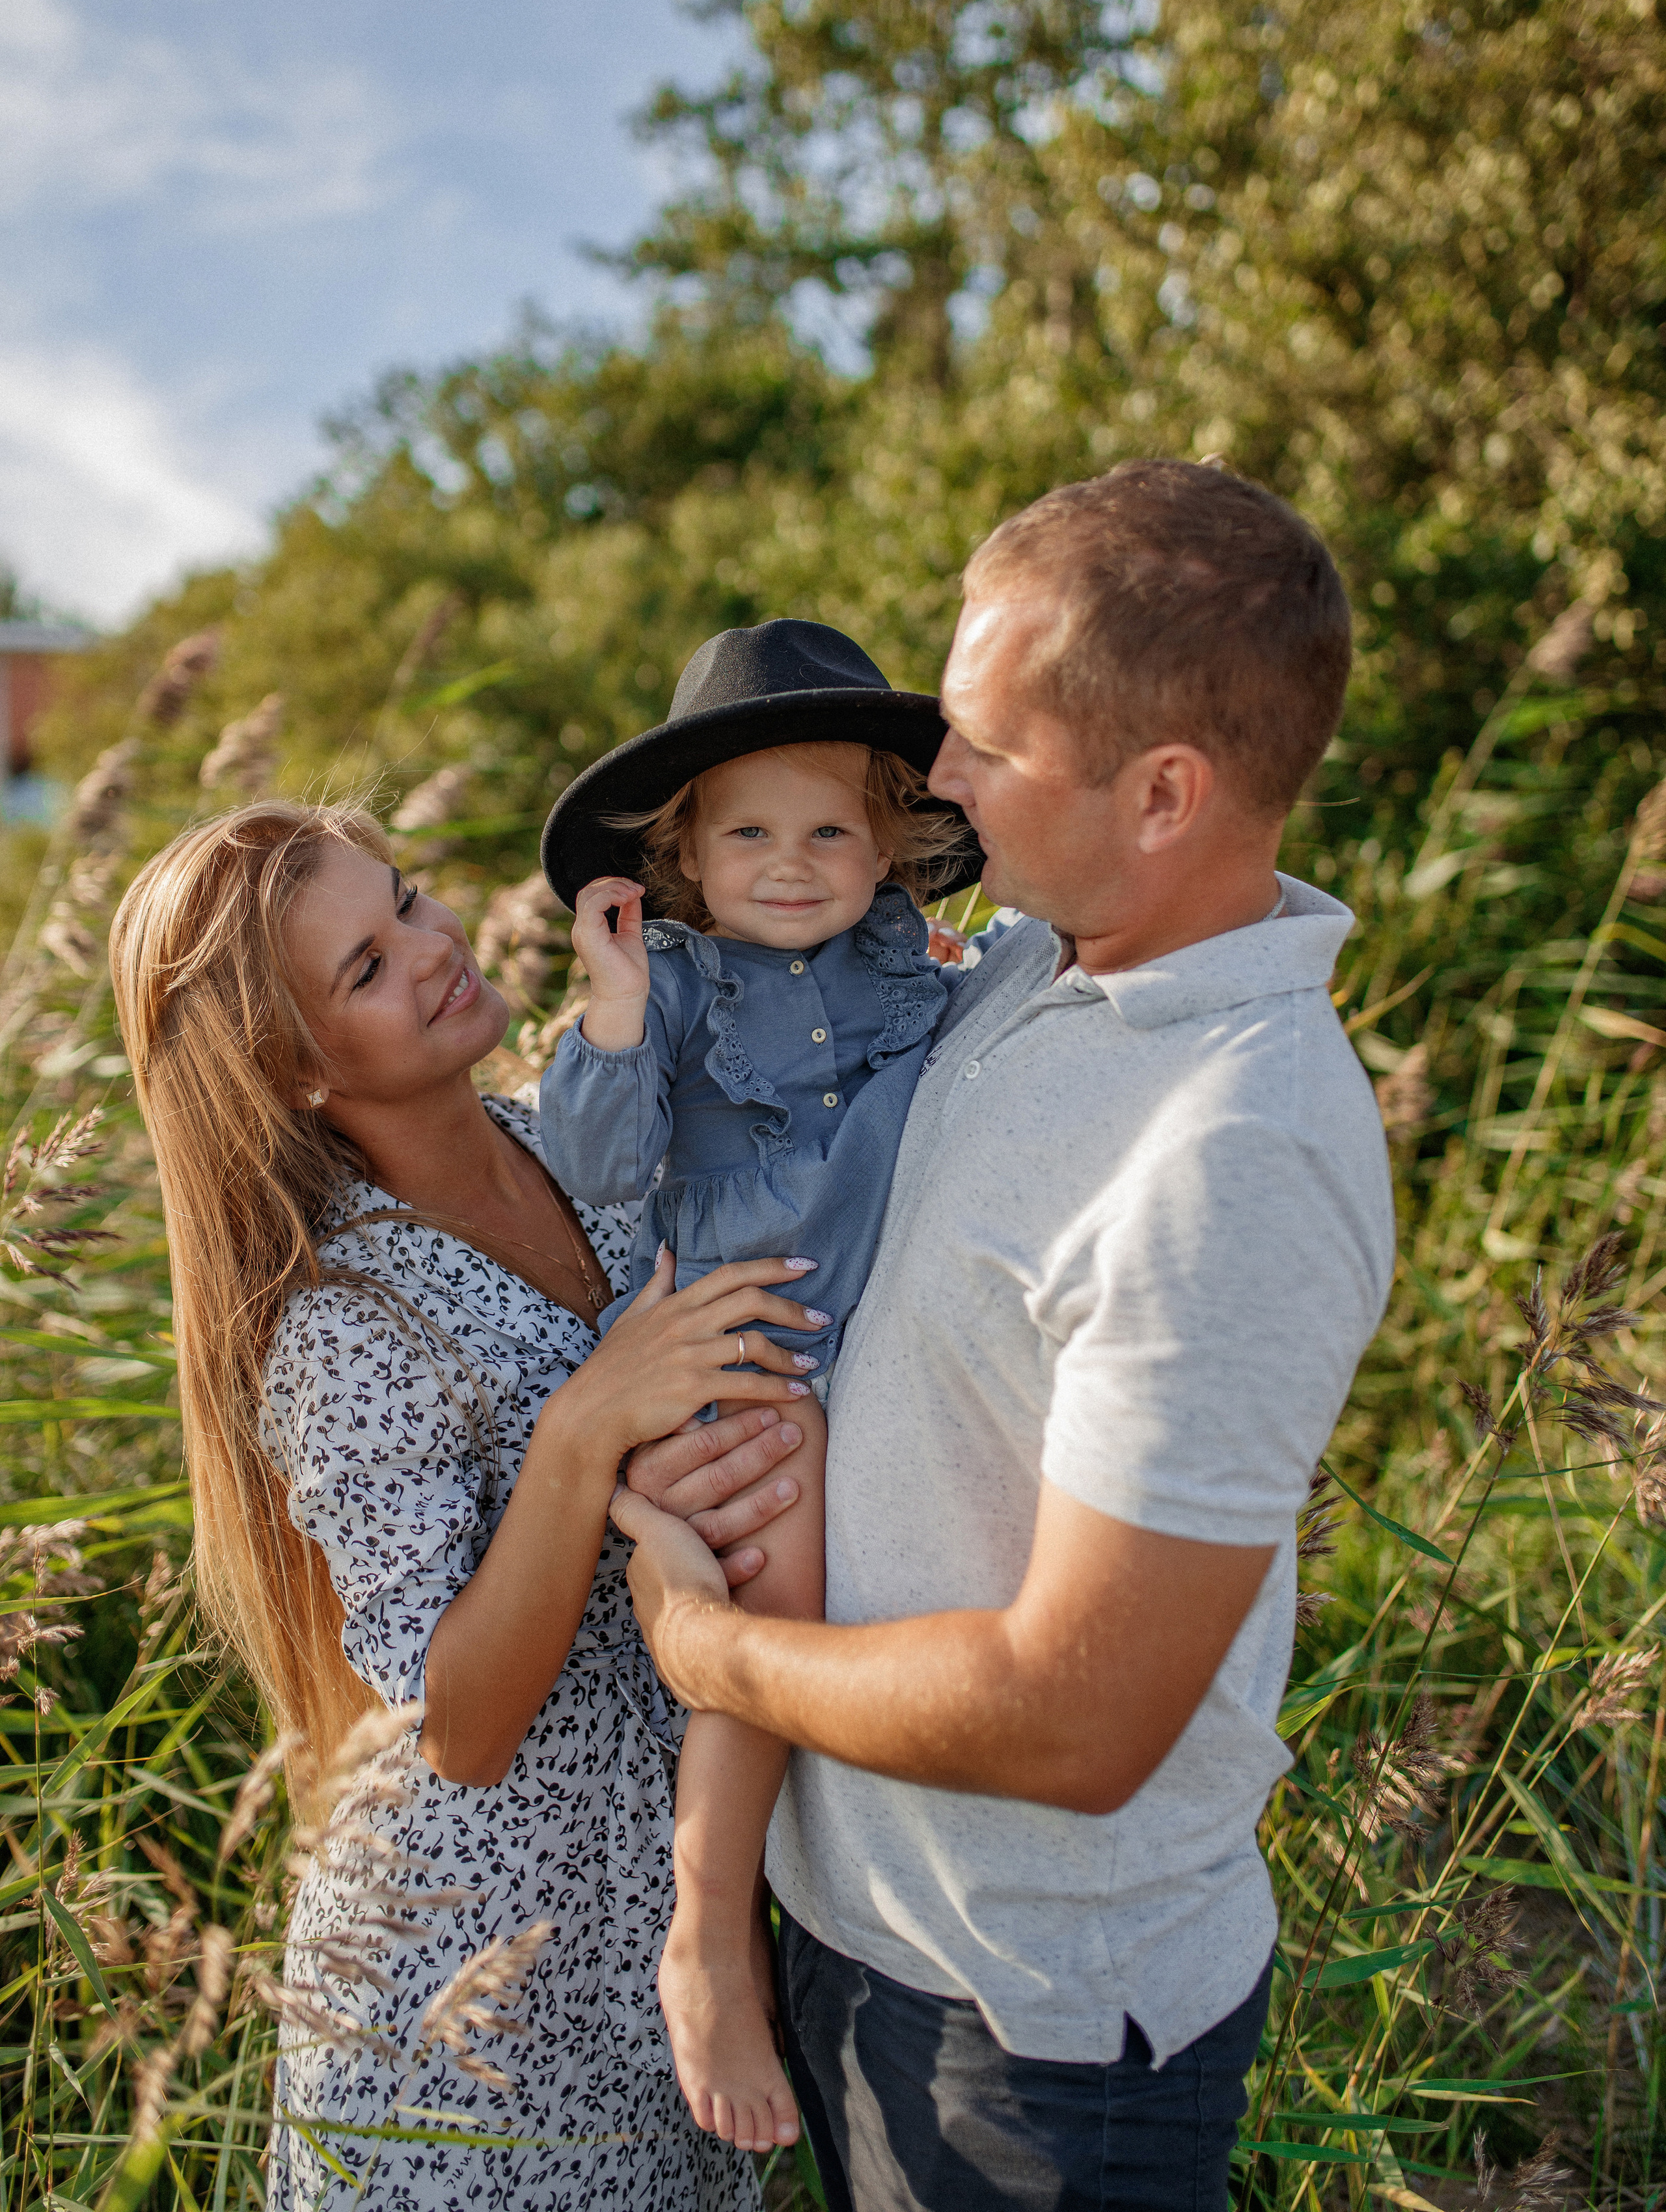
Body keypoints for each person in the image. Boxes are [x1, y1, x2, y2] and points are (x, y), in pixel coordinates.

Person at [611, 459, 1399, 2211]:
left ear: (1165, 792)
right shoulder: (1043, 962)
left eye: (984, 741)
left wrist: (709, 1653)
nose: (941, 779)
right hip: (857, 1916)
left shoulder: (1234, 1152)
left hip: (1023, 2035)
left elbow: (1076, 1720)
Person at [108, 800, 824, 2212]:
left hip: (658, 1931)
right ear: (291, 1070)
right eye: (365, 969)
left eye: (411, 902)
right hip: (467, 2001)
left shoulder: (565, 1136)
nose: (434, 947)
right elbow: (463, 1725)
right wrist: (585, 1434)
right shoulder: (342, 1323)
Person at [538, 618, 981, 2151]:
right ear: (681, 854)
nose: (788, 864)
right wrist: (605, 995)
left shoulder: (904, 962)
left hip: (844, 1350)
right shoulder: (668, 980)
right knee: (773, 1611)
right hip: (740, 1352)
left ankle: (773, 1918)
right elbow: (595, 1164)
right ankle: (706, 1935)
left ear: (887, 845)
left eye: (828, 831)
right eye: (746, 832)